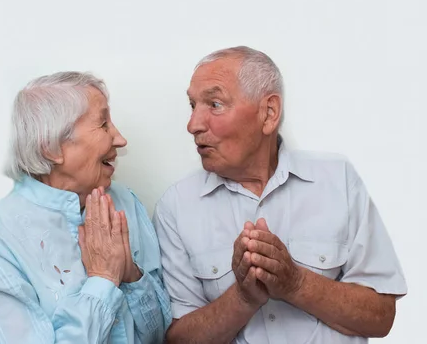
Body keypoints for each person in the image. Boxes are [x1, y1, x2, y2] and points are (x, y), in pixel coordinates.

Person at [153, 46, 407, 343]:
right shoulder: (176, 207)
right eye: (192, 105)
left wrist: (295, 283)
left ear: (269, 113)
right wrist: (243, 298)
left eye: (215, 104)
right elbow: (178, 339)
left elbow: (380, 317)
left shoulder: (338, 178)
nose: (193, 124)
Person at [0, 71, 171, 343]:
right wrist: (104, 279)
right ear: (51, 147)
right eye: (104, 124)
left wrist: (131, 275)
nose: (120, 139)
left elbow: (161, 334)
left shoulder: (124, 201)